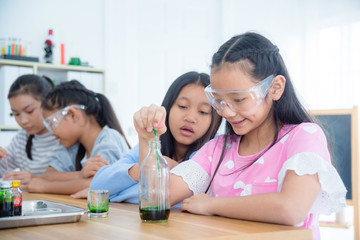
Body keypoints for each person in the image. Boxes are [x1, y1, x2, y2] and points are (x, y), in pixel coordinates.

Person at [134, 33, 346, 240]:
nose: (226, 112)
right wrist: (148, 139)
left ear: (275, 88)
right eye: (218, 100)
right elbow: (157, 197)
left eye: (239, 99)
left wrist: (212, 205)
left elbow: (291, 209)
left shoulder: (304, 136)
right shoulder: (217, 149)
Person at [71, 71, 223, 201]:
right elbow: (98, 185)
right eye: (182, 106)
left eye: (203, 111)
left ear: (215, 119)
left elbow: (155, 198)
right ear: (168, 107)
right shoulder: (152, 140)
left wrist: (115, 193)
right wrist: (146, 167)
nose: (190, 117)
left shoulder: (212, 150)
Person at [27, 80, 130, 194]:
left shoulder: (109, 139)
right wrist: (80, 175)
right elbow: (47, 175)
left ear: (72, 115)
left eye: (52, 123)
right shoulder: (74, 147)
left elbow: (99, 185)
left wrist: (45, 187)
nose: (51, 132)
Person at [0, 74, 64, 188]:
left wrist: (36, 179)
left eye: (29, 111)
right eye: (16, 114)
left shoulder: (65, 136)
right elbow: (3, 168)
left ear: (48, 103)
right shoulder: (21, 139)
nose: (23, 121)